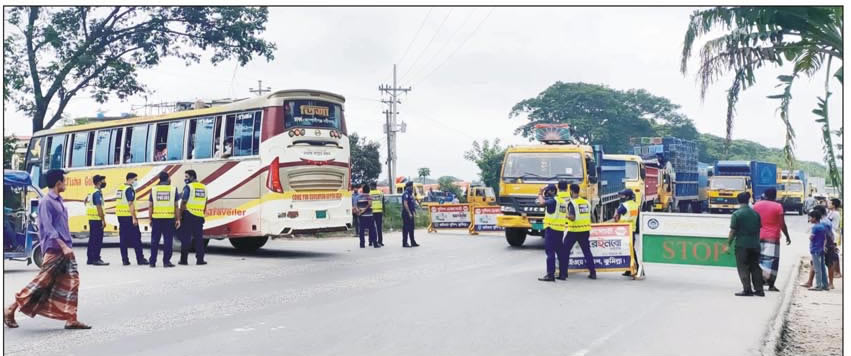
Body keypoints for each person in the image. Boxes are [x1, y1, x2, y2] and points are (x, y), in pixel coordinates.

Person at [4, 169, 91, 329]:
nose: (65, 184)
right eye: (64, 181)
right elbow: (48, 228)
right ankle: (11, 308)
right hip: (55, 249)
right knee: (41, 283)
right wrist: (63, 246)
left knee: (72, 282)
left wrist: (67, 245)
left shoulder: (59, 200)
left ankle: (71, 318)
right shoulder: (46, 202)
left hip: (65, 248)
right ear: (58, 183)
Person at [753, 188, 791, 291]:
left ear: (764, 195)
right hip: (772, 237)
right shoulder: (778, 206)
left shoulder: (757, 205)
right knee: (772, 261)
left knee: (758, 260)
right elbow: (782, 224)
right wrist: (787, 236)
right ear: (775, 196)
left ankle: (758, 282)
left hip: (758, 236)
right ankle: (770, 285)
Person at [728, 192, 764, 297]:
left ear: (738, 201)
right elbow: (759, 228)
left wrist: (728, 244)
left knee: (743, 267)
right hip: (755, 244)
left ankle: (747, 289)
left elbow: (733, 231)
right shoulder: (755, 214)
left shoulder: (736, 214)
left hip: (742, 245)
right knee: (755, 267)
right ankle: (759, 290)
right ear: (749, 200)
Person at [536, 182, 567, 282]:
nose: (546, 193)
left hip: (551, 229)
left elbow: (541, 203)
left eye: (547, 191)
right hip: (560, 230)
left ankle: (550, 275)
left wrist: (540, 193)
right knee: (561, 252)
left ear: (552, 191)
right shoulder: (562, 201)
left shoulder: (553, 201)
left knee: (550, 252)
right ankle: (563, 274)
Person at [563, 183, 595, 279]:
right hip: (585, 230)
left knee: (565, 251)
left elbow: (572, 218)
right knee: (587, 252)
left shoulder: (572, 203)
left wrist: (565, 215)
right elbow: (590, 216)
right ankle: (593, 273)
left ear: (571, 191)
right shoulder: (586, 202)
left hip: (574, 230)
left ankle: (563, 273)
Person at [148, 171, 179, 268]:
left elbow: (150, 206)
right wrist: (178, 219)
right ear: (168, 178)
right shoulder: (173, 189)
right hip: (169, 219)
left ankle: (152, 262)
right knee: (168, 241)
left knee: (154, 241)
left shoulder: (153, 190)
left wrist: (150, 219)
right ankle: (166, 262)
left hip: (156, 219)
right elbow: (176, 206)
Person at [116, 173, 148, 266]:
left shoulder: (120, 188)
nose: (136, 182)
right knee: (136, 238)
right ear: (130, 179)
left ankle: (125, 260)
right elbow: (130, 204)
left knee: (123, 239)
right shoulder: (129, 189)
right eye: (135, 180)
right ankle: (140, 259)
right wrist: (134, 217)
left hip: (120, 216)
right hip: (128, 216)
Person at [178, 170, 208, 265]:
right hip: (199, 216)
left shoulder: (188, 187)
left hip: (189, 215)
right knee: (199, 239)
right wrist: (202, 212)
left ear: (192, 177)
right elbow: (205, 202)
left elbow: (183, 202)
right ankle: (200, 260)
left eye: (186, 177)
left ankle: (184, 260)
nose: (185, 179)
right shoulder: (204, 187)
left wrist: (181, 214)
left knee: (186, 238)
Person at [84, 175, 109, 266]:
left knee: (92, 239)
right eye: (103, 181)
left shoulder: (91, 192)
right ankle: (96, 258)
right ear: (99, 182)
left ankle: (90, 259)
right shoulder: (97, 193)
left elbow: (85, 201)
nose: (104, 182)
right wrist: (103, 220)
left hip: (91, 218)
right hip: (97, 219)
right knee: (98, 240)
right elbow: (99, 207)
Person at [614, 189, 639, 277]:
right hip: (632, 230)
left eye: (623, 196)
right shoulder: (636, 205)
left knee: (629, 250)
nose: (621, 197)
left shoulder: (624, 206)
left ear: (627, 197)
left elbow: (615, 217)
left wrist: (616, 214)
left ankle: (636, 268)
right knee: (630, 249)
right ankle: (630, 269)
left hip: (623, 231)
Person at [805, 209, 830, 291]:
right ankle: (825, 284)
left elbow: (811, 237)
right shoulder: (823, 226)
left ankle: (818, 285)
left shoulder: (815, 227)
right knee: (822, 267)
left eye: (810, 217)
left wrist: (810, 236)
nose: (810, 219)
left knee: (817, 268)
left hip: (815, 249)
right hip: (821, 249)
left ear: (815, 218)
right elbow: (825, 238)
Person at [827, 199, 842, 278]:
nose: (828, 204)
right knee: (833, 253)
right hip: (830, 234)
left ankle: (837, 272)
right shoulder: (830, 212)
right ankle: (836, 271)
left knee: (834, 253)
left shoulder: (835, 213)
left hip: (833, 234)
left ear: (833, 205)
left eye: (830, 203)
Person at [402, 181, 420, 248]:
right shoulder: (405, 193)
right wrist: (409, 213)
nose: (412, 188)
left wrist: (414, 212)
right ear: (409, 186)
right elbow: (405, 204)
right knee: (406, 228)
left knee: (411, 228)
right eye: (411, 186)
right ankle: (405, 242)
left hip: (411, 213)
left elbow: (412, 204)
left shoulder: (410, 194)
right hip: (406, 213)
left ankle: (413, 242)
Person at [369, 183, 385, 247]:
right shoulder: (380, 193)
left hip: (372, 212)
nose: (370, 187)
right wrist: (384, 211)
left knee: (371, 227)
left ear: (373, 186)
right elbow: (383, 202)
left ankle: (371, 241)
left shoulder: (369, 193)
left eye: (371, 186)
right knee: (379, 228)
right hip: (379, 212)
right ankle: (380, 241)